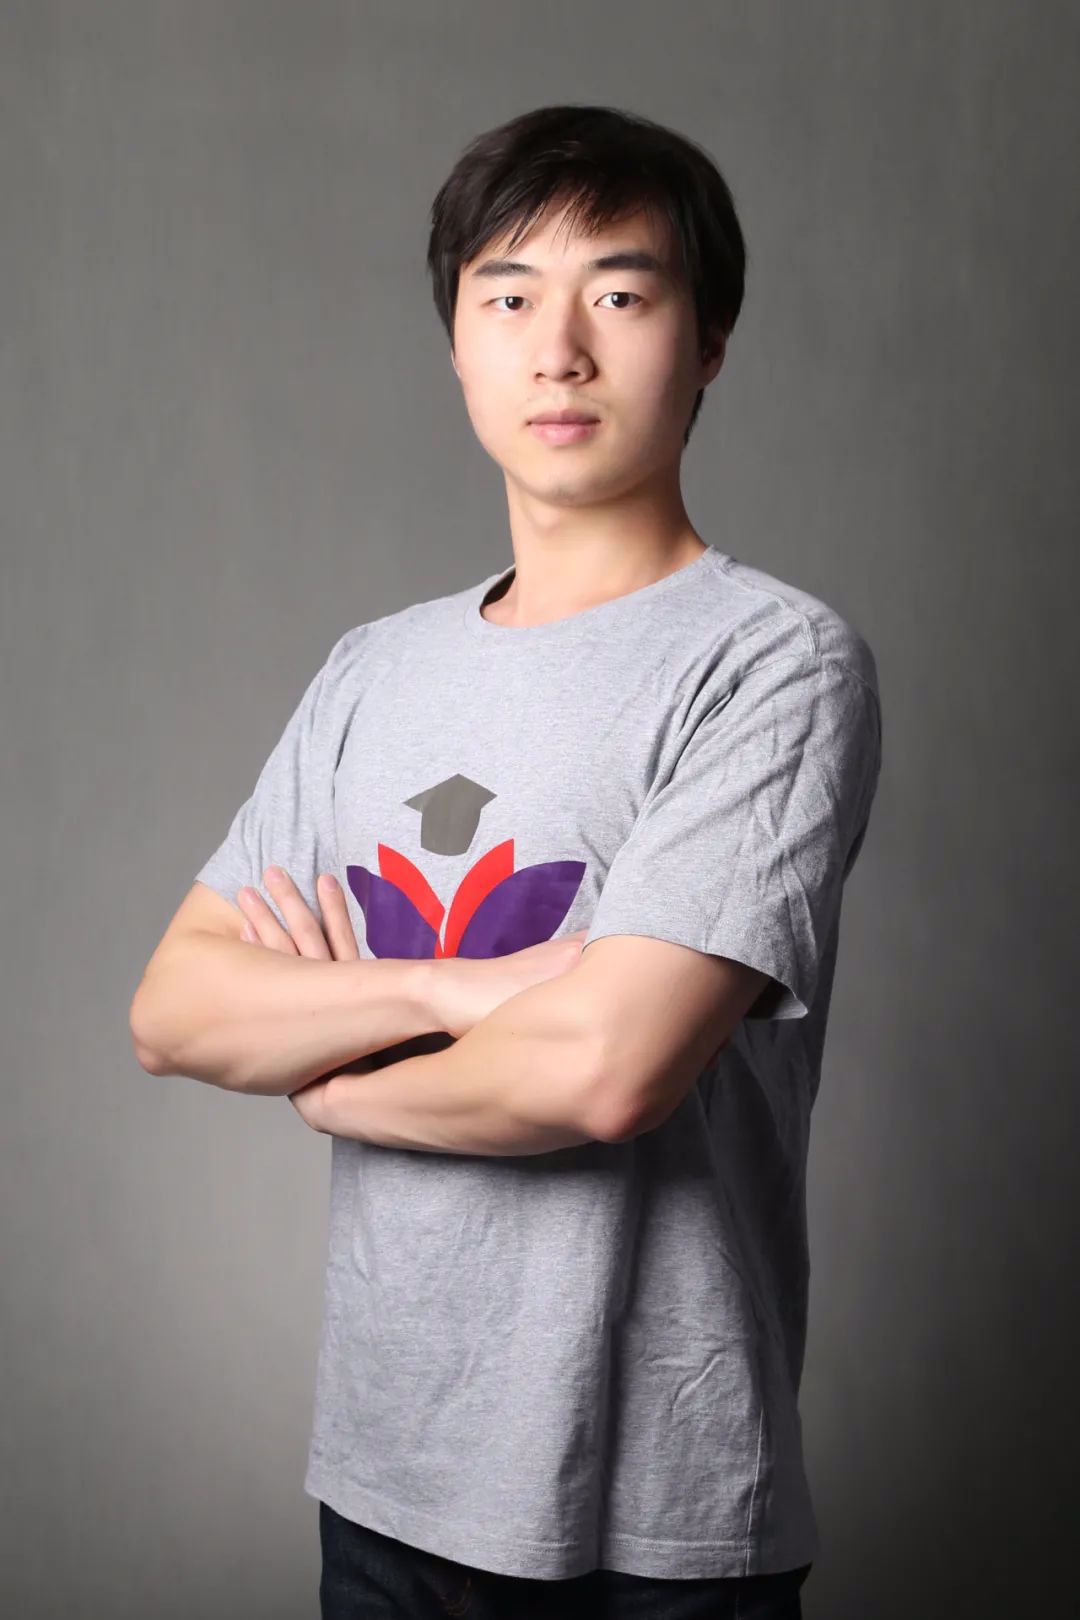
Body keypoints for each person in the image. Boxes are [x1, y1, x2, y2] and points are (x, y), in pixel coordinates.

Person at [133, 104, 882, 1619]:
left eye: (621, 293)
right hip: (384, 1491)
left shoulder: (773, 663)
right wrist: (457, 992)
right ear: (458, 346)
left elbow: (606, 1072)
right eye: (509, 296)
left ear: (709, 342)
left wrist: (337, 1079)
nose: (560, 351)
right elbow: (175, 1010)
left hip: (660, 1530)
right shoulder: (373, 670)